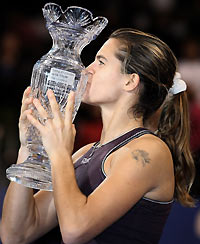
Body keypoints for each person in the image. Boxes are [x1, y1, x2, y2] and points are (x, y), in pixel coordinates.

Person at [1, 28, 195, 244]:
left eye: (100, 62)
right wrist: (29, 145)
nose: (87, 70)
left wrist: (59, 154)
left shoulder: (149, 151)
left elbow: (75, 231)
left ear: (130, 81)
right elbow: (15, 235)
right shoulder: (86, 152)